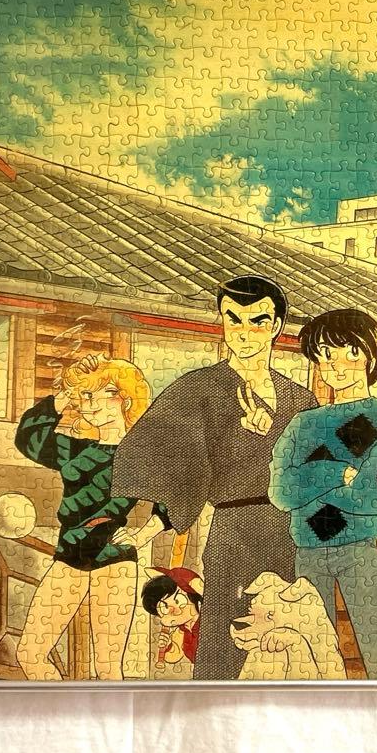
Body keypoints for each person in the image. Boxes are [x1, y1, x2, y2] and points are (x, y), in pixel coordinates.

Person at [111, 276, 318, 680]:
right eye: (233, 319)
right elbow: (183, 470)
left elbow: (313, 473)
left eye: (257, 321)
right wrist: (145, 531)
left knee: (285, 635)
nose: (244, 332)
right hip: (233, 528)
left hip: (291, 532)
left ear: (276, 326)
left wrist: (271, 435)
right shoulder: (198, 388)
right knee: (224, 634)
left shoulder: (301, 400)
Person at [269, 309, 377, 679]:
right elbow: (281, 492)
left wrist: (309, 485)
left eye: (349, 351)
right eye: (325, 354)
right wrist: (336, 472)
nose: (336, 364)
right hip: (305, 553)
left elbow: (371, 496)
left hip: (358, 550)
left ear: (369, 356)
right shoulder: (303, 423)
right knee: (313, 654)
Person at [14, 353, 158, 680]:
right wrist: (64, 395)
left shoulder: (140, 456)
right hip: (70, 552)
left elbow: (175, 496)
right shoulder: (76, 450)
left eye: (95, 394)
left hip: (114, 558)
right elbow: (28, 438)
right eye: (85, 396)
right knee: (30, 655)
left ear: (124, 399)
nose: (87, 404)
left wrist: (142, 535)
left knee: (107, 668)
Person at [141, 568, 203, 668]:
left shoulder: (209, 621)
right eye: (165, 608)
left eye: (178, 601)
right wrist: (168, 645)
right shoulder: (181, 631)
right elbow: (172, 657)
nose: (174, 610)